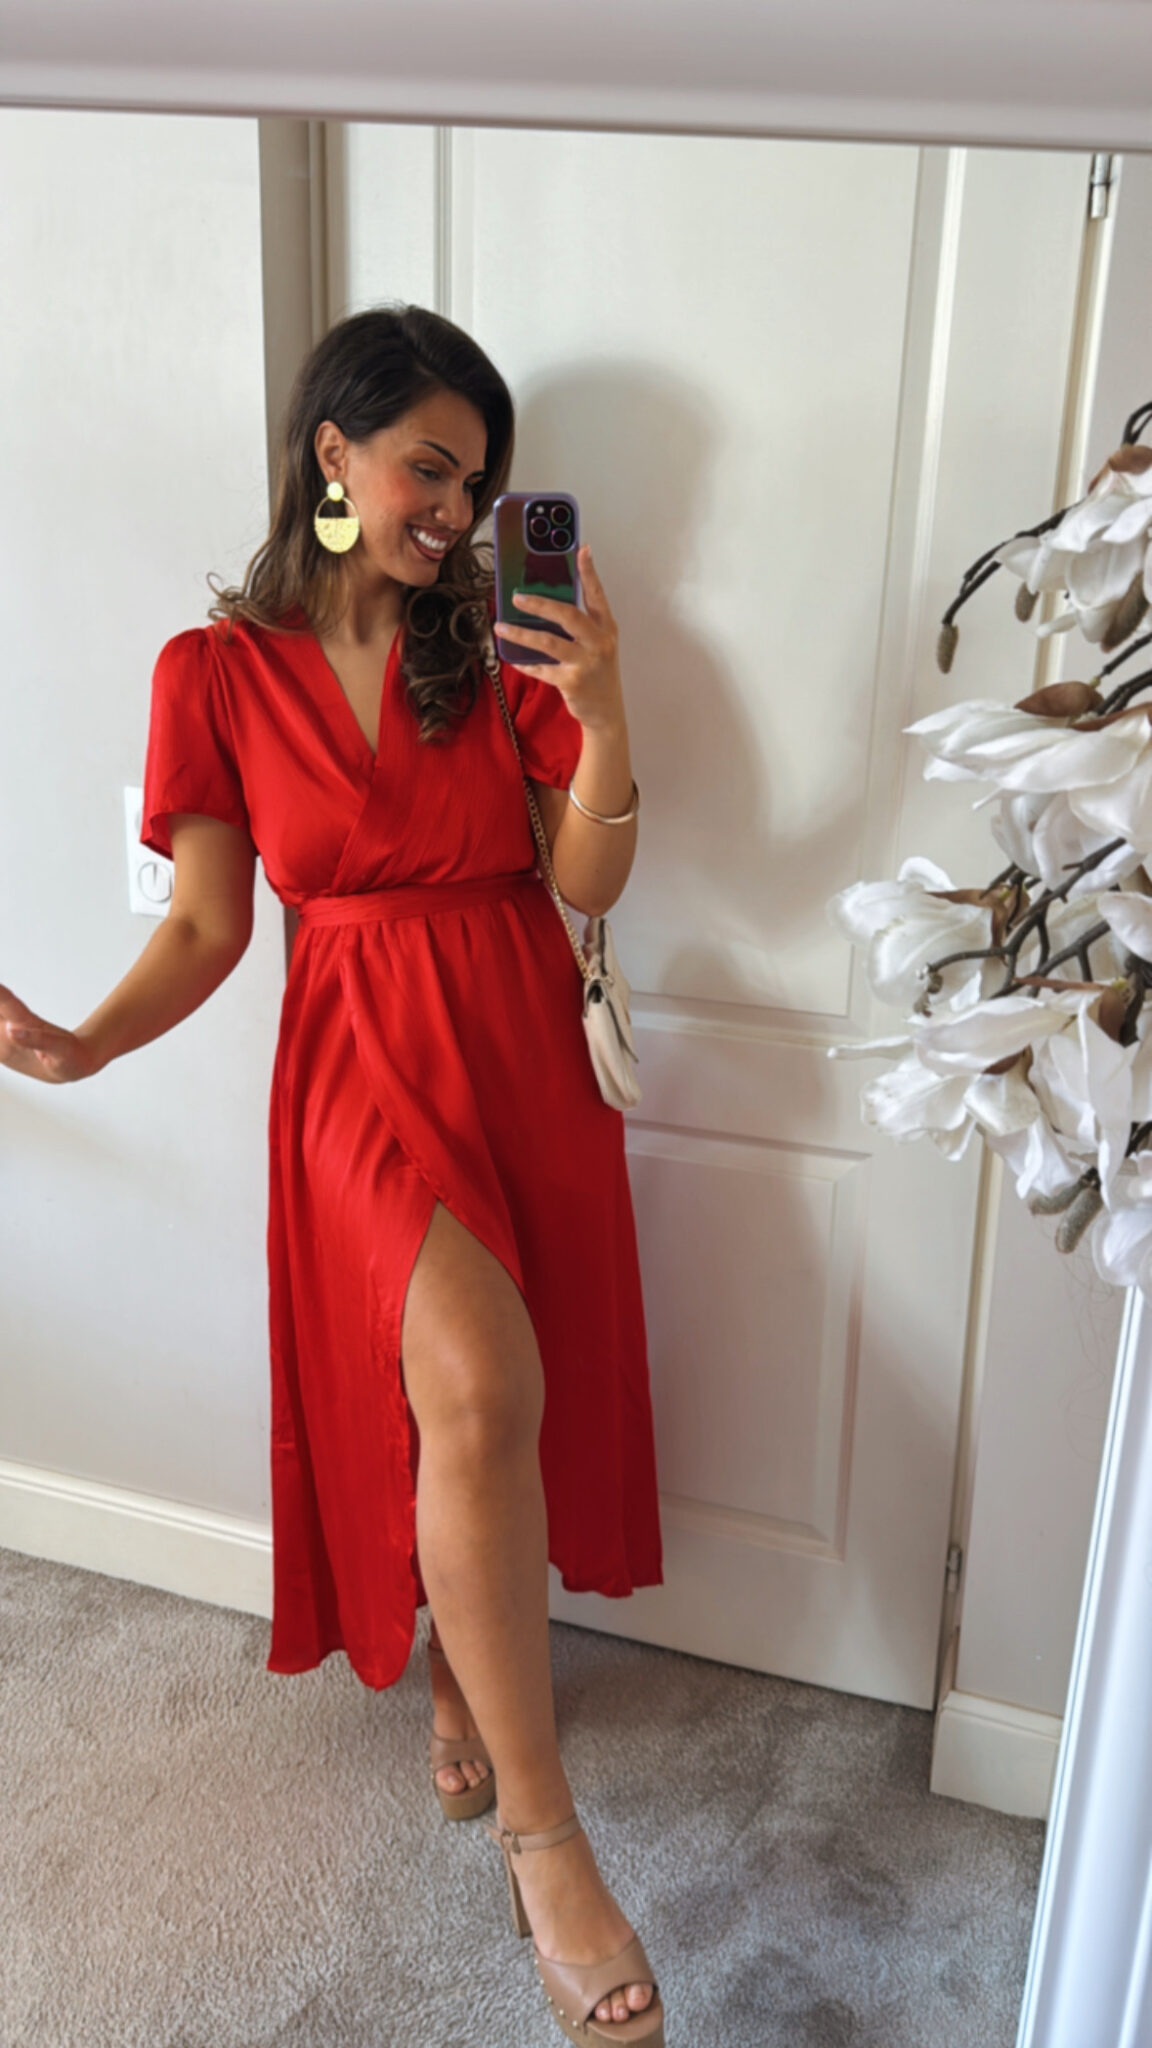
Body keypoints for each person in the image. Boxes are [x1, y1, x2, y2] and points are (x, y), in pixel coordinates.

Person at [0, 305, 666, 2043]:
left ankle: (466, 1658)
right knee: (474, 1381)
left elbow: (587, 882)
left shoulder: (497, 645)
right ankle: (547, 1844)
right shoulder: (210, 674)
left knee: (482, 1413)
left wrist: (600, 713)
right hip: (361, 1063)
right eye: (430, 468)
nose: (455, 510)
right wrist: (84, 1045)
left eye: (480, 484)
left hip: (518, 1044)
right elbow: (212, 925)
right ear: (333, 454)